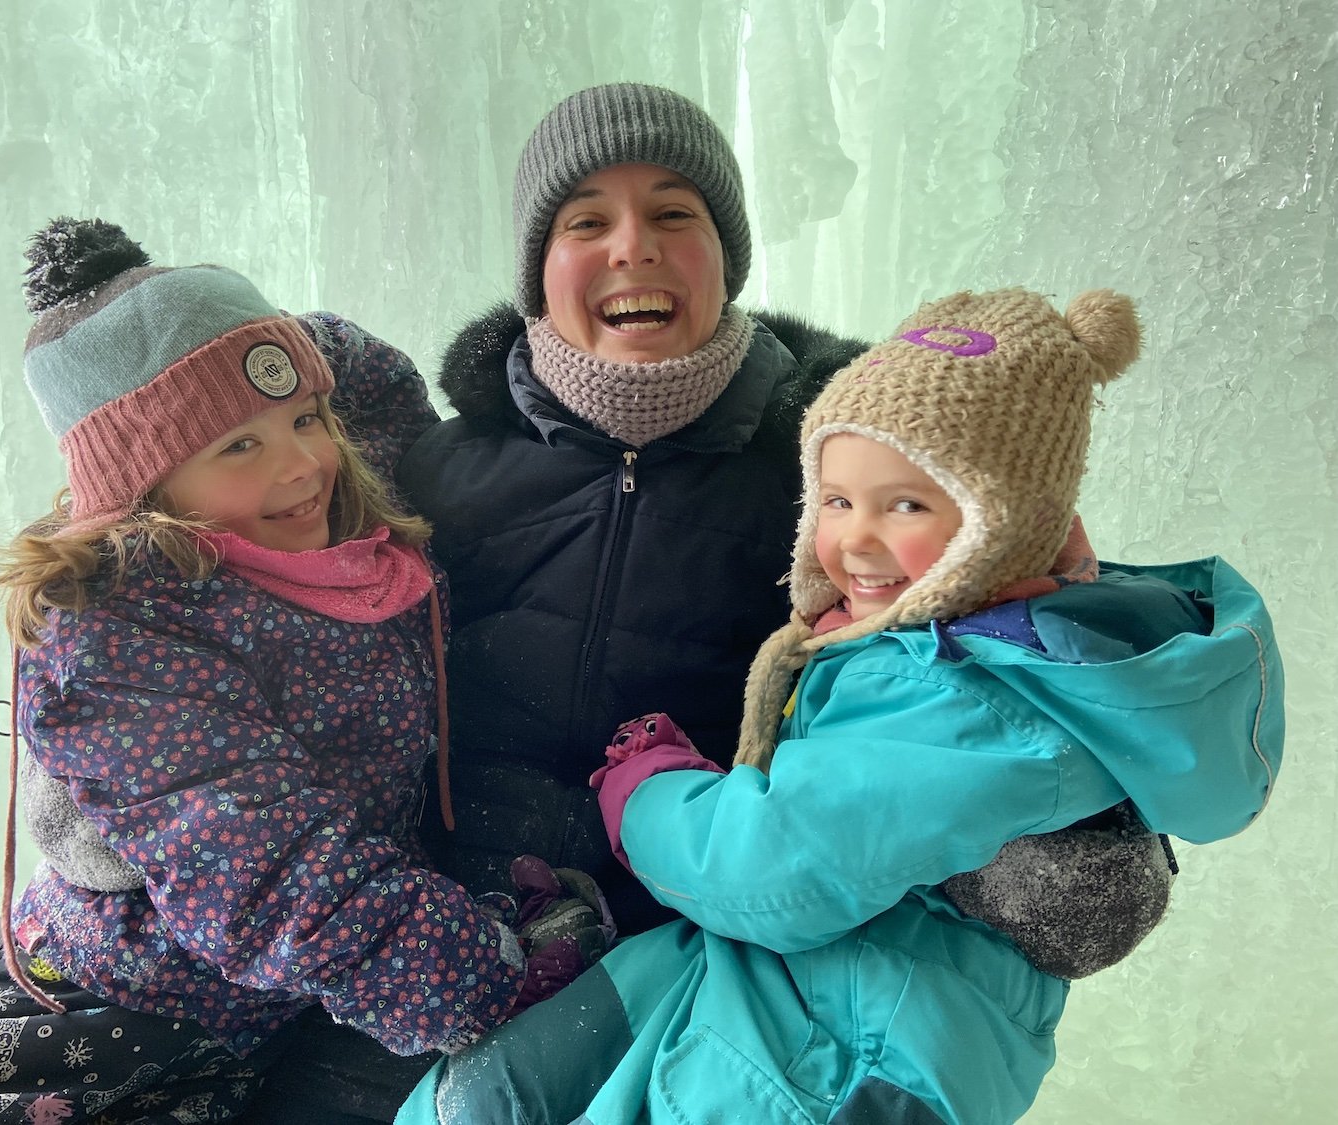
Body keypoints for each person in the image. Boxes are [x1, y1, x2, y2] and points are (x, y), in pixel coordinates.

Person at [394, 286, 1285, 1125]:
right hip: (793, 982)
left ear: (1011, 522)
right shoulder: (960, 641)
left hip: (856, 1051)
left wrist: (645, 785)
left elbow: (769, 868)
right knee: (475, 1097)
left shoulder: (970, 695)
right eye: (837, 498)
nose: (856, 536)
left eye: (908, 503)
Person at [0, 218, 610, 1125]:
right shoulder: (119, 635)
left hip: (267, 998)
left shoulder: (335, 514)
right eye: (238, 446)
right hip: (117, 1007)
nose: (302, 465)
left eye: (305, 419)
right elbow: (273, 877)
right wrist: (483, 982)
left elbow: (334, 388)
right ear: (146, 489)